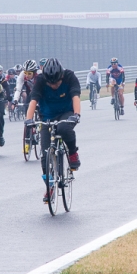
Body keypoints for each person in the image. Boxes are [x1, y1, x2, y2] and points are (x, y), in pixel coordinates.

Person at [24, 58, 81, 202]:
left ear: (61, 76)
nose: (53, 85)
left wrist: (76, 115)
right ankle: (49, 187)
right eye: (50, 83)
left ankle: (73, 153)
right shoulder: (41, 80)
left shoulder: (69, 77)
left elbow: (75, 96)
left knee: (63, 129)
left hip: (66, 113)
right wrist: (28, 120)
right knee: (44, 154)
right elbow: (34, 100)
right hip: (47, 116)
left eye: (56, 82)